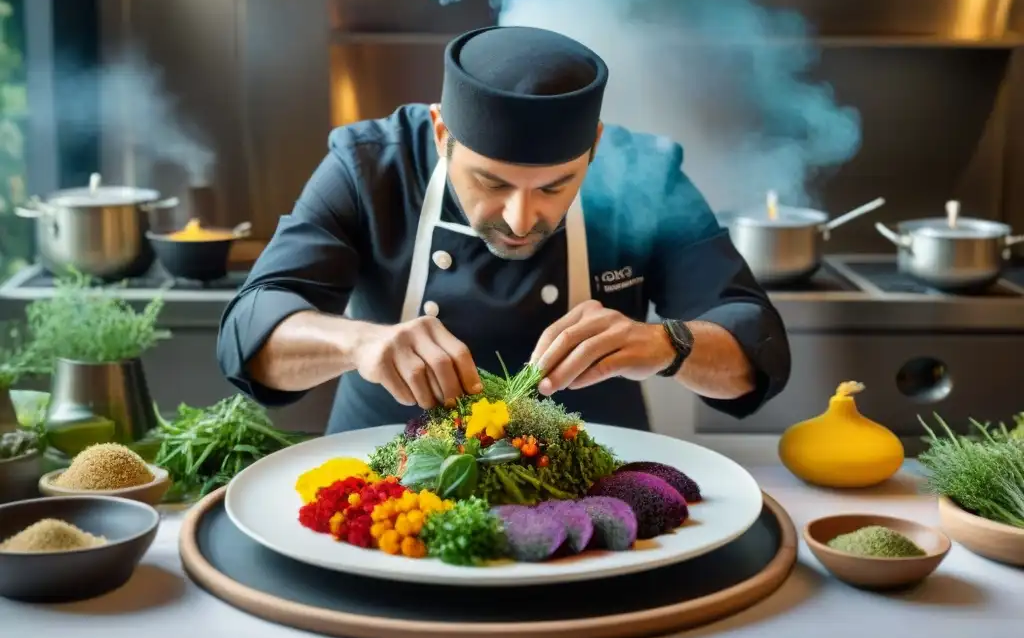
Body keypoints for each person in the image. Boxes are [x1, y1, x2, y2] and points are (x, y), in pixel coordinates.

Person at [217, 25, 791, 435]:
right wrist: (359, 342)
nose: (521, 220)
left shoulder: (645, 176)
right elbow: (250, 331)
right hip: (382, 479)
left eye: (552, 188)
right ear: (442, 133)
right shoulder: (370, 166)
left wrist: (666, 343)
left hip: (603, 487)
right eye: (492, 184)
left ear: (592, 147)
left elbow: (755, 345)